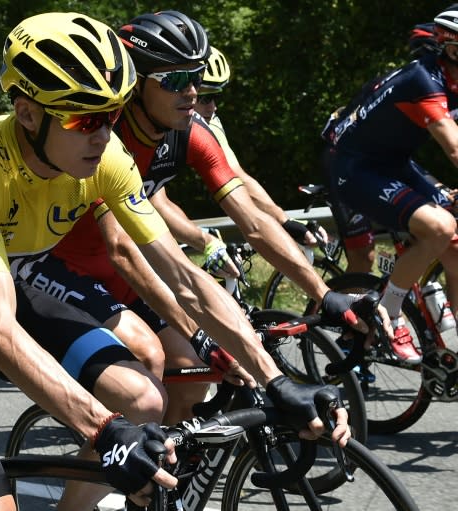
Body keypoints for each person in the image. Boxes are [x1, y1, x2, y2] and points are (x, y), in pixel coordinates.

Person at [0, 12, 352, 511]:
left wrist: (275, 379)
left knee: (144, 400)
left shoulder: (106, 158)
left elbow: (185, 279)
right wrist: (102, 430)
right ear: (28, 113)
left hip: (8, 279)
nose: (103, 135)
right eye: (85, 119)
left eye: (112, 114)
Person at [23, 11, 377, 425]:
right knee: (148, 357)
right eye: (176, 80)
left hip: (125, 266)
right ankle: (117, 466)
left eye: (198, 75)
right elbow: (121, 248)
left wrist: (323, 293)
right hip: (64, 265)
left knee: (192, 373)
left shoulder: (189, 132)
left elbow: (253, 221)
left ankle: (168, 477)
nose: (193, 92)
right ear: (136, 85)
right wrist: (200, 327)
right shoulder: (103, 138)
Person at [323, 4, 458, 364]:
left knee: (456, 246)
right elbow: (455, 148)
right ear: (451, 49)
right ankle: (391, 313)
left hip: (393, 163)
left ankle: (452, 349)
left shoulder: (451, 77)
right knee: (440, 227)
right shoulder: (423, 79)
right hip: (356, 167)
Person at [194, 46, 327, 249]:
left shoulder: (209, 121)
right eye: (205, 98)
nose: (213, 107)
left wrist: (284, 220)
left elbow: (236, 175)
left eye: (216, 97)